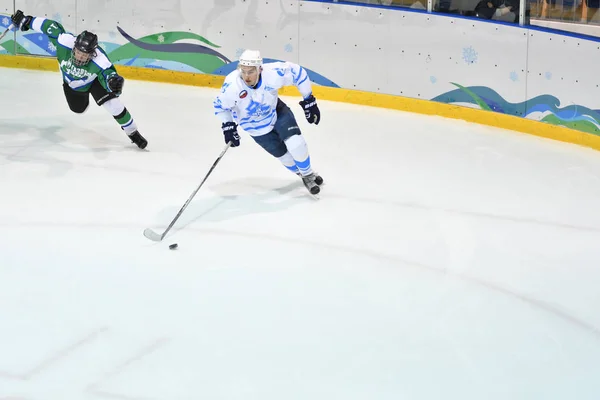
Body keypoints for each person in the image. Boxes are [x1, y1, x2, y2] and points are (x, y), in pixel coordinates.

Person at [9, 10, 148, 149]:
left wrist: (114, 83)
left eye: (85, 54)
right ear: (74, 46)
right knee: (78, 109)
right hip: (73, 86)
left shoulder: (100, 60)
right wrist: (27, 20)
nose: (80, 57)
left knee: (113, 104)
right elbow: (49, 26)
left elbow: (109, 75)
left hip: (94, 81)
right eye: (78, 52)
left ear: (92, 53)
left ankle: (133, 133)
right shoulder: (64, 42)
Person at [213, 50, 323, 195]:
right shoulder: (232, 86)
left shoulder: (273, 73)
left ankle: (308, 174)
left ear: (260, 68)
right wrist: (228, 126)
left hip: (277, 111)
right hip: (254, 126)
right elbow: (220, 106)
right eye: (243, 71)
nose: (246, 76)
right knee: (284, 156)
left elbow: (298, 72)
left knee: (296, 143)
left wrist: (309, 101)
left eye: (251, 71)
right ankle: (303, 174)